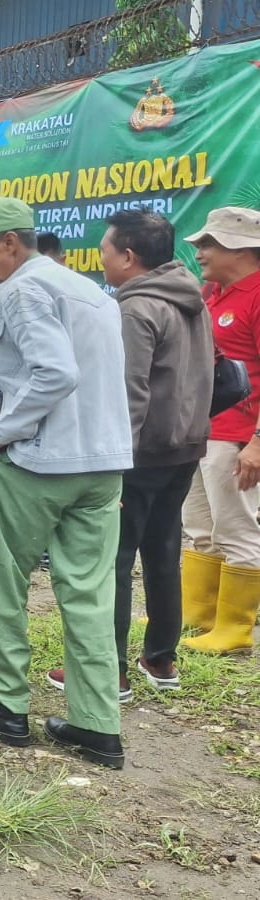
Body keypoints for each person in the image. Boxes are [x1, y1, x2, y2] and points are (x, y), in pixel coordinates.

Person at [0, 198, 133, 770]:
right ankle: (97, 725)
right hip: (102, 464)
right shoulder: (90, 291)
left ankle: (1, 705)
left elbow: (55, 373)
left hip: (39, 463)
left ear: (9, 243)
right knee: (91, 595)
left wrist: (1, 432)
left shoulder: (23, 289)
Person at [47, 209, 210, 697]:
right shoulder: (192, 298)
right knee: (163, 552)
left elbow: (129, 392)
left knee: (112, 559)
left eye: (105, 251)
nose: (100, 260)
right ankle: (161, 660)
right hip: (184, 447)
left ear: (128, 256)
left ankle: (108, 670)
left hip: (139, 453)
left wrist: (114, 465)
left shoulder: (135, 309)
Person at [180, 205, 260, 655]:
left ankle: (235, 631)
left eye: (208, 244)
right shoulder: (214, 295)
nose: (200, 253)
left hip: (238, 438)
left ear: (239, 248)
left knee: (237, 529)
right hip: (202, 430)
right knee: (199, 526)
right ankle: (199, 615)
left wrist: (257, 443)